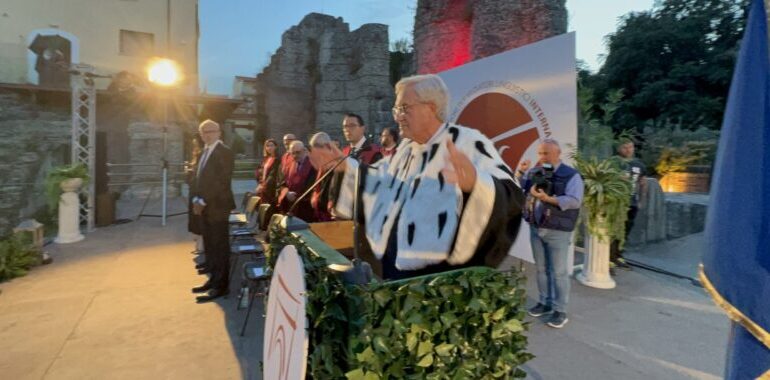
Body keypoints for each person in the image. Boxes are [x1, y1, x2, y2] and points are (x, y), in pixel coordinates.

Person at [310, 74, 524, 280]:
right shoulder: (406, 148)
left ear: (430, 108)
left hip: (438, 280)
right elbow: (382, 186)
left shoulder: (466, 142)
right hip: (396, 269)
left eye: (404, 108)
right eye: (396, 109)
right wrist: (347, 168)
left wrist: (476, 185)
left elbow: (512, 198)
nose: (397, 116)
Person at [516, 139, 584, 329]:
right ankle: (545, 302)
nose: (542, 157)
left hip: (557, 231)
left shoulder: (571, 175)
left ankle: (560, 310)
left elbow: (574, 200)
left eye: (546, 153)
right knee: (541, 269)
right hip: (536, 227)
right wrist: (522, 171)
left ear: (557, 153)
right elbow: (522, 185)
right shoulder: (536, 171)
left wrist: (549, 199)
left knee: (559, 273)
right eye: (540, 153)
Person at [190, 120, 235, 303]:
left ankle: (221, 286)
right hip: (204, 207)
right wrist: (196, 198)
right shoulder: (204, 152)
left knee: (220, 248)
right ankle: (212, 280)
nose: (206, 135)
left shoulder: (224, 152)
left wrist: (203, 200)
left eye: (210, 131)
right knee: (209, 245)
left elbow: (221, 181)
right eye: (203, 132)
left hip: (218, 207)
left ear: (218, 132)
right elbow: (199, 178)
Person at [610, 139, 646, 271]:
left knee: (625, 231)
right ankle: (608, 258)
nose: (628, 150)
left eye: (630, 147)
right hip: (616, 203)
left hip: (632, 202)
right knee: (613, 231)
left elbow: (642, 183)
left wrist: (641, 200)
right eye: (625, 147)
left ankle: (618, 256)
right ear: (619, 148)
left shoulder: (638, 164)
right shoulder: (614, 162)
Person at [276, 141, 317, 222]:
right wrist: (286, 193)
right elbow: (282, 183)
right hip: (290, 207)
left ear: (305, 151)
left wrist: (296, 196)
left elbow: (313, 187)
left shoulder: (313, 166)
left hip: (305, 208)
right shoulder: (289, 166)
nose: (295, 156)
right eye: (292, 153)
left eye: (298, 152)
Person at [308, 132, 336, 222]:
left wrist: (318, 200)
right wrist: (313, 197)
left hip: (328, 211)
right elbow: (317, 185)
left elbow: (332, 189)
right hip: (319, 209)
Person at [256, 139, 280, 207]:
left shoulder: (277, 159)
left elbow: (272, 175)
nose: (269, 147)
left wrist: (263, 186)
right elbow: (259, 172)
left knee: (269, 209)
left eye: (271, 145)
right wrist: (260, 184)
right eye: (267, 146)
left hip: (271, 189)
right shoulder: (266, 158)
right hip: (263, 188)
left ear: (276, 147)